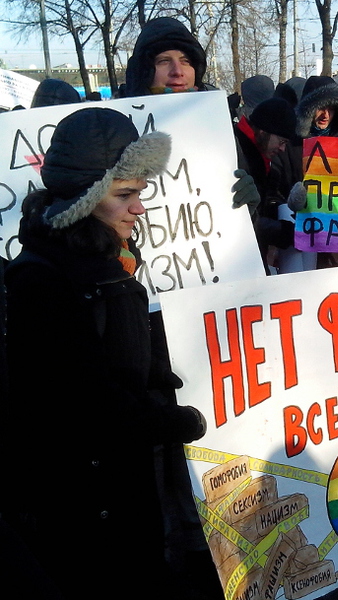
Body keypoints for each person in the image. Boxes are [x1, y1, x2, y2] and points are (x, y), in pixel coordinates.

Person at [2, 107, 208, 600]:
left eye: (140, 192)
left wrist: (160, 369)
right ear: (85, 198)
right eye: (124, 195)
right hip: (89, 503)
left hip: (121, 484)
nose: (139, 208)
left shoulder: (104, 260)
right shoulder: (44, 281)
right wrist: (176, 420)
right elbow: (80, 404)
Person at [273, 76, 338, 271]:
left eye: (331, 108)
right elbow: (273, 190)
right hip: (299, 240)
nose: (325, 114)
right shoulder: (289, 145)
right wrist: (290, 202)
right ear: (307, 109)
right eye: (319, 107)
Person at [236, 97, 298, 273]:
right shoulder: (239, 152)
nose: (283, 149)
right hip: (237, 260)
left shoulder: (255, 152)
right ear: (264, 131)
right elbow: (241, 215)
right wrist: (282, 232)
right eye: (282, 141)